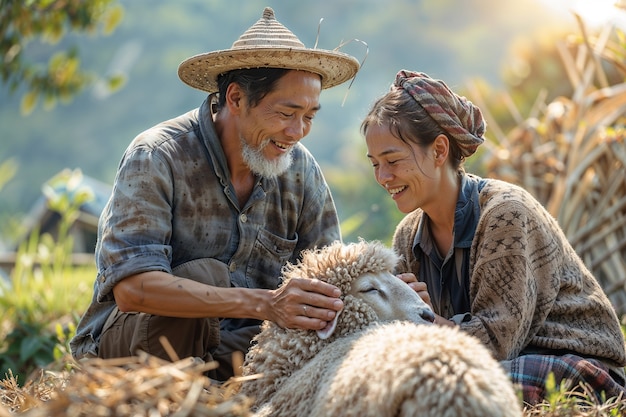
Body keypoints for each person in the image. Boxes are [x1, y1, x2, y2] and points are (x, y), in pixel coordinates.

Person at [70, 7, 360, 381]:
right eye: (287, 113)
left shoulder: (300, 170)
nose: (298, 131)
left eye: (309, 116)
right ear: (236, 99)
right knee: (206, 275)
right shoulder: (157, 156)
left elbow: (329, 274)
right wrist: (267, 303)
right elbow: (132, 290)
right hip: (137, 354)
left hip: (241, 348)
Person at [361, 69, 626, 405]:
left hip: (572, 365)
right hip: (479, 365)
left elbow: (498, 345)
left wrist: (421, 318)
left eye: (393, 160)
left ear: (439, 150)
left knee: (460, 392)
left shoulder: (504, 214)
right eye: (375, 164)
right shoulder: (407, 236)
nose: (383, 177)